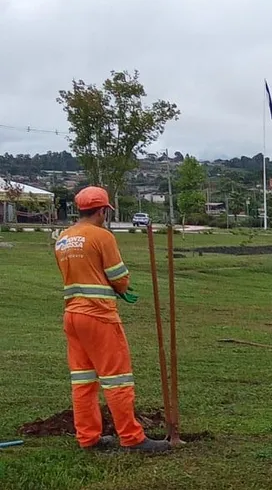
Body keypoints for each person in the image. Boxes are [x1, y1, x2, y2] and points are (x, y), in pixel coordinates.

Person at [54, 186, 169, 453]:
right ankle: (131, 438)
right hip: (98, 316)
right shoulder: (101, 236)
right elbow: (119, 276)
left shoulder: (63, 237)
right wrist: (121, 289)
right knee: (117, 379)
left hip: (72, 315)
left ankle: (88, 438)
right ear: (103, 210)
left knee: (83, 380)